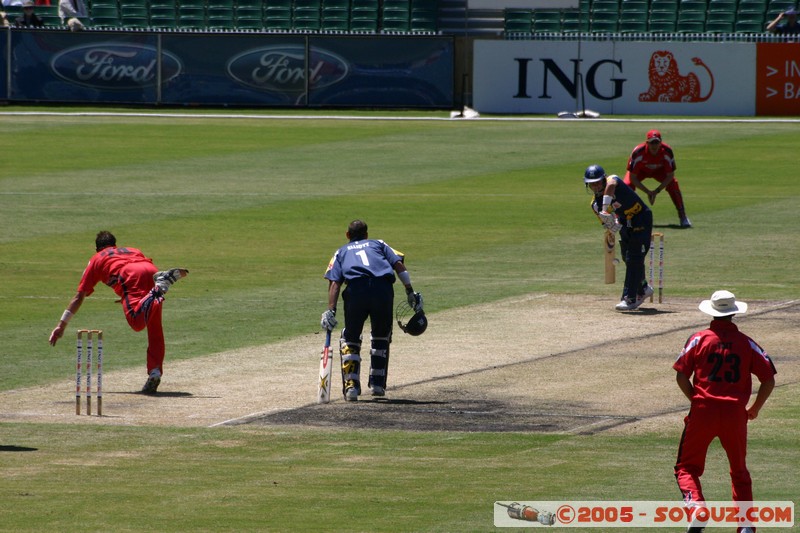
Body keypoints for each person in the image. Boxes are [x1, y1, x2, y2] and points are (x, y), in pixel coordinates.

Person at [673, 290, 776, 533]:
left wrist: (696, 400)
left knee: (686, 468)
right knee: (739, 471)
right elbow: (768, 378)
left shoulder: (699, 339)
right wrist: (755, 409)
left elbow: (680, 375)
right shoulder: (746, 342)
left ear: (711, 312)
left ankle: (697, 509)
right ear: (733, 314)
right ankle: (746, 527)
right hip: (735, 414)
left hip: (703, 412)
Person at [49, 231, 189, 394]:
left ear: (97, 248)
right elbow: (142, 270)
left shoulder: (96, 259)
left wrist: (61, 325)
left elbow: (79, 296)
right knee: (154, 326)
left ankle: (158, 289)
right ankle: (155, 372)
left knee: (136, 323)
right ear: (114, 244)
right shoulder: (132, 250)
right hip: (150, 270)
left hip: (130, 276)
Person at [321, 219, 423, 401]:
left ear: (347, 235)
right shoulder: (379, 243)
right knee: (381, 335)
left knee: (350, 337)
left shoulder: (341, 252)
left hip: (356, 291)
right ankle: (377, 385)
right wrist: (410, 291)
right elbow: (399, 266)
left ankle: (351, 388)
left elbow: (335, 283)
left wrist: (331, 310)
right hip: (382, 291)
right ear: (366, 234)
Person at [584, 164, 654, 311]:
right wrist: (612, 224)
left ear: (603, 179)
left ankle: (630, 299)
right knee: (626, 256)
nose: (595, 186)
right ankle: (644, 288)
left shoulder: (612, 180)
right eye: (591, 184)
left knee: (634, 257)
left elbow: (611, 185)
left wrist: (605, 209)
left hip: (641, 217)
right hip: (625, 221)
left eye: (597, 182)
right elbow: (608, 224)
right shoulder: (594, 204)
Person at [624, 129, 692, 228]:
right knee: (626, 186)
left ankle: (683, 216)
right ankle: (622, 217)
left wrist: (657, 190)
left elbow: (670, 175)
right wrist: (647, 191)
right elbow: (632, 177)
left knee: (673, 184)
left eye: (656, 142)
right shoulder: (638, 152)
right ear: (647, 143)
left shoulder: (667, 151)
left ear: (661, 142)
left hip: (659, 171)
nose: (654, 146)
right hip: (641, 172)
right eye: (652, 143)